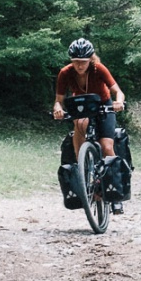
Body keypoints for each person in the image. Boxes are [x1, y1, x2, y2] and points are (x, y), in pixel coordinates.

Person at [52, 38, 128, 213]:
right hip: (82, 107)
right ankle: (82, 166)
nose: (80, 65)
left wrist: (118, 102)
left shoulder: (98, 69)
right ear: (71, 61)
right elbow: (58, 101)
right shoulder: (65, 73)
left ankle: (116, 195)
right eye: (76, 62)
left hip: (103, 105)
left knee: (106, 146)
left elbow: (118, 91)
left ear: (90, 59)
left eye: (83, 62)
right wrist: (57, 109)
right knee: (79, 123)